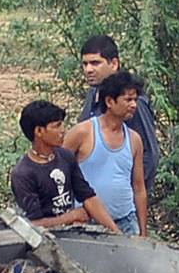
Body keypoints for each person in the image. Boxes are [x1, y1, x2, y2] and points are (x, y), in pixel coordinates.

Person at [9, 99, 119, 231]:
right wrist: (69, 217)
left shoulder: (66, 157)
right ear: (38, 131)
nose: (63, 131)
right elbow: (32, 225)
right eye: (56, 126)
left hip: (71, 236)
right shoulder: (23, 173)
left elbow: (88, 197)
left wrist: (115, 231)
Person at [64, 67, 147, 236]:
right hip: (87, 223)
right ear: (110, 101)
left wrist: (143, 233)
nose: (133, 105)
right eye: (128, 99)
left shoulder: (134, 139)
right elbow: (56, 171)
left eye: (135, 100)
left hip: (126, 221)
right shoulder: (83, 133)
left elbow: (139, 188)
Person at [79, 32, 162, 188]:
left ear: (114, 64)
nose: (88, 69)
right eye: (85, 64)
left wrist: (130, 193)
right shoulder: (94, 94)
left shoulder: (132, 102)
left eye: (95, 63)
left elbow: (149, 155)